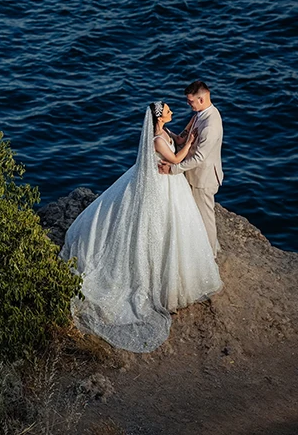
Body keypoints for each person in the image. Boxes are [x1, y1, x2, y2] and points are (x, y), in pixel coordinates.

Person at [61, 102, 223, 353]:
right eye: (168, 110)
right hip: (161, 184)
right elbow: (177, 157)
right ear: (159, 117)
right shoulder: (158, 140)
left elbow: (177, 138)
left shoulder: (165, 133)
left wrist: (192, 124)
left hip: (169, 184)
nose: (171, 112)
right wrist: (190, 144)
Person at [159, 81, 223, 257]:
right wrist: (162, 133)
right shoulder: (198, 115)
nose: (188, 104)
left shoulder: (210, 125)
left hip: (203, 178)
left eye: (191, 101)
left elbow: (199, 158)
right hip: (192, 174)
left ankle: (211, 255)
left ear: (201, 99)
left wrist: (173, 169)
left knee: (205, 218)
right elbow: (181, 139)